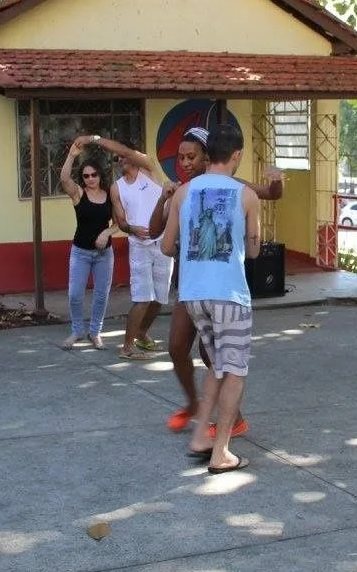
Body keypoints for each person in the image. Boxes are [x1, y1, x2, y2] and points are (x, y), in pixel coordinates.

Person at [148, 126, 283, 435]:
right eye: (180, 157)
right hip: (191, 287)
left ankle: (231, 419)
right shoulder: (182, 191)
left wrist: (278, 178)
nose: (184, 163)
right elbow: (156, 233)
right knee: (177, 347)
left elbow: (269, 194)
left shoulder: (230, 184)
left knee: (214, 355)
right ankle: (194, 404)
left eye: (190, 156)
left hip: (221, 286)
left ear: (207, 156)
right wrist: (161, 198)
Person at [161, 124, 260, 474]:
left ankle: (201, 435)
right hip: (229, 293)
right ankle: (221, 453)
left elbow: (165, 245)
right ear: (237, 156)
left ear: (207, 155)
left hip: (193, 294)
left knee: (217, 365)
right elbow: (253, 250)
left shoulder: (183, 193)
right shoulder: (246, 195)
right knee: (234, 370)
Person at [75, 135, 171, 361]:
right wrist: (131, 229)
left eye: (123, 156)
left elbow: (125, 150)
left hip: (162, 242)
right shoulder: (116, 188)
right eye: (117, 158)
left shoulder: (149, 170)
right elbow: (121, 222)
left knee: (160, 299)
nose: (120, 160)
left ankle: (142, 334)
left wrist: (94, 139)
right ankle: (127, 347)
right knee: (142, 298)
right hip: (139, 246)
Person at [59, 140, 116, 349]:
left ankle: (95, 332)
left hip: (104, 254)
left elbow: (121, 222)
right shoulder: (79, 194)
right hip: (80, 252)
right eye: (86, 176)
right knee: (75, 294)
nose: (91, 179)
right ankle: (77, 331)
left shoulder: (111, 194)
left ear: (100, 175)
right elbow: (64, 178)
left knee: (101, 295)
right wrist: (72, 155)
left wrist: (107, 232)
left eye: (94, 175)